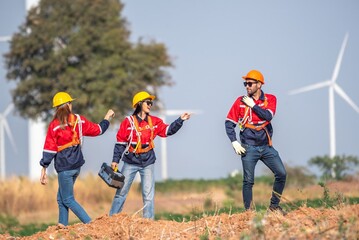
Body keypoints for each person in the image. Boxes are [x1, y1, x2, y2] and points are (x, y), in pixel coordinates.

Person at [109, 91, 191, 219]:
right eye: (148, 102)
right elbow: (120, 142)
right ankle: (112, 220)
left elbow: (168, 131)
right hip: (130, 161)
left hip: (148, 161)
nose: (150, 105)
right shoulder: (128, 122)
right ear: (139, 104)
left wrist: (180, 120)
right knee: (121, 192)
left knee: (148, 195)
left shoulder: (154, 121)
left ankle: (148, 222)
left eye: (151, 102)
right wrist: (115, 160)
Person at [40, 91, 115, 226]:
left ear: (57, 108)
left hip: (64, 168)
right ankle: (62, 225)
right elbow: (98, 130)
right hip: (76, 166)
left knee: (68, 199)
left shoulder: (54, 125)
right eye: (71, 102)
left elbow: (49, 148)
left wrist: (44, 168)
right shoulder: (79, 120)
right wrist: (107, 118)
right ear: (68, 105)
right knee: (61, 198)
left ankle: (90, 224)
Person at [225, 70, 287, 215]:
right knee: (248, 181)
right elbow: (229, 123)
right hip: (248, 147)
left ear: (259, 85)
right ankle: (249, 213)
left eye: (250, 83)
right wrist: (234, 141)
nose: (247, 86)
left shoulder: (270, 99)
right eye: (245, 83)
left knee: (281, 174)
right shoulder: (240, 102)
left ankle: (274, 207)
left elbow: (268, 116)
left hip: (266, 147)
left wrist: (253, 105)